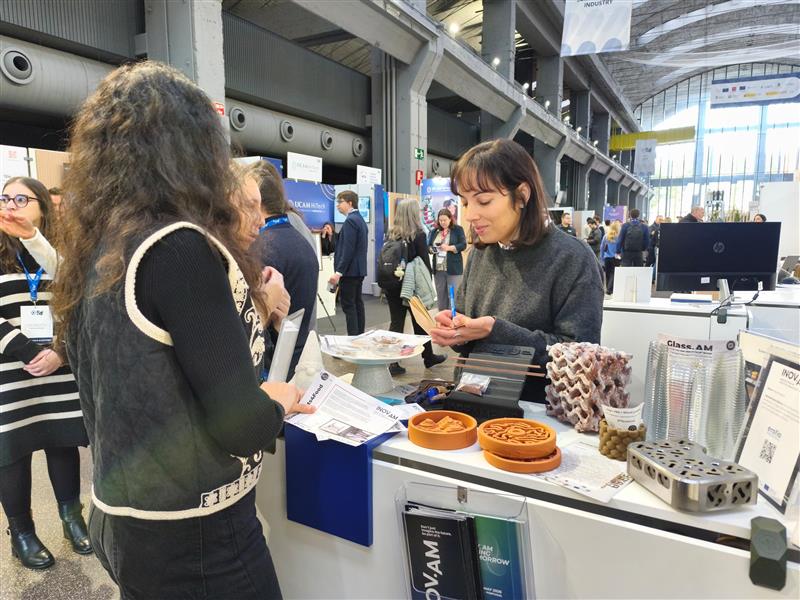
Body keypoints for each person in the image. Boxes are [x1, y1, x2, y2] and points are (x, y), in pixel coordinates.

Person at [51, 61, 314, 598]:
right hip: (196, 534)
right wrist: (278, 399)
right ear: (194, 150)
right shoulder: (179, 247)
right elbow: (242, 426)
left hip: (124, 515)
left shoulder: (98, 249)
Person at [429, 139, 604, 402]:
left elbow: (580, 357)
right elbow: (467, 330)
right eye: (465, 203)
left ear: (522, 195)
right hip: (472, 400)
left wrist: (495, 330)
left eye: (483, 201)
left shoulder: (573, 258)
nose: (471, 215)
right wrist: (457, 330)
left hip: (538, 412)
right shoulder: (480, 252)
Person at [0, 177, 91, 570]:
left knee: (62, 442)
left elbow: (79, 301)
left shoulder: (60, 251)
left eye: (21, 198)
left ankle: (72, 520)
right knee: (12, 453)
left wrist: (59, 351)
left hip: (58, 368)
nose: (11, 205)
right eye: (5, 198)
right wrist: (26, 350)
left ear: (42, 206)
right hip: (9, 371)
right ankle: (22, 532)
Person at [252, 160, 319, 379]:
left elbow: (256, 330)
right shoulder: (299, 239)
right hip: (296, 358)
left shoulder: (263, 248)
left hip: (273, 368)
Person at [384, 199, 446, 376]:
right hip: (412, 286)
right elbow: (424, 262)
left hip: (393, 284)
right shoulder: (418, 234)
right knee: (420, 320)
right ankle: (428, 357)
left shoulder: (391, 233)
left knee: (396, 322)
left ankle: (393, 362)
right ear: (413, 213)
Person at [329, 190, 368, 336]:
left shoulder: (351, 221)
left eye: (340, 202)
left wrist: (338, 272)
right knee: (357, 304)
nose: (338, 205)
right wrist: (333, 234)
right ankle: (359, 336)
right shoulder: (359, 219)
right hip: (358, 270)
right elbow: (348, 242)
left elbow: (348, 249)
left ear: (350, 203)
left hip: (350, 272)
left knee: (349, 306)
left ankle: (353, 339)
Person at [428, 208, 467, 311]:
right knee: (441, 296)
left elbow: (463, 245)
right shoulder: (434, 231)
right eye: (440, 220)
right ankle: (442, 317)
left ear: (450, 219)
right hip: (438, 269)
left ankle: (453, 317)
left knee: (453, 296)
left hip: (453, 269)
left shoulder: (457, 230)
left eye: (445, 220)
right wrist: (433, 250)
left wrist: (449, 248)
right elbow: (428, 246)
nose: (442, 222)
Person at [600, 221, 622, 295]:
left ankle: (608, 288)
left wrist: (602, 258)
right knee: (613, 274)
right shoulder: (619, 237)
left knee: (607, 274)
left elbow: (602, 248)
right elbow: (621, 248)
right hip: (615, 258)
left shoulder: (606, 236)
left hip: (606, 258)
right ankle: (610, 289)